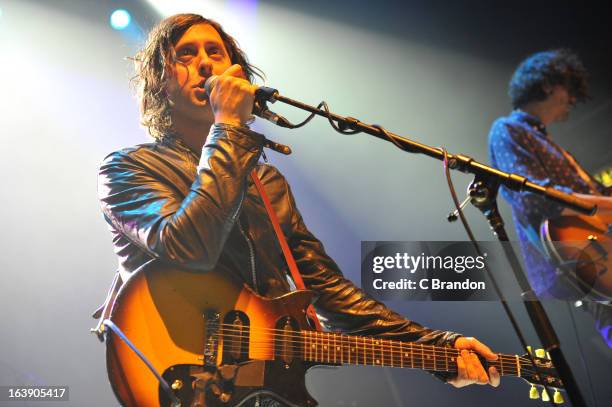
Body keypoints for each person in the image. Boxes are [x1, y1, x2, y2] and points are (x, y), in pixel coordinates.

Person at [98, 13, 499, 405]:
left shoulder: (266, 182)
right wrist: (228, 129)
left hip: (258, 386)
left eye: (215, 52)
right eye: (185, 55)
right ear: (160, 83)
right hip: (178, 376)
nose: (204, 62)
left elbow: (327, 290)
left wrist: (438, 348)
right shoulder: (128, 168)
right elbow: (189, 247)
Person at [488, 49, 612, 347]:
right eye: (568, 90)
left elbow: (594, 193)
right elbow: (530, 195)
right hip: (583, 256)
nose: (572, 100)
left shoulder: (543, 139)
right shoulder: (506, 129)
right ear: (547, 86)